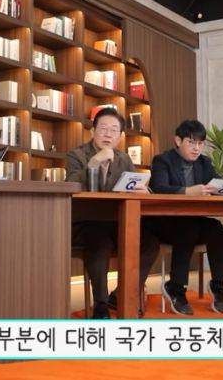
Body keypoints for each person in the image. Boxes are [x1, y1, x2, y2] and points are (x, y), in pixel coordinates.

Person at [65, 107, 160, 319]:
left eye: (114, 130)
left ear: (120, 136)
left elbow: (133, 184)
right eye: (103, 128)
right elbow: (71, 184)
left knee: (149, 243)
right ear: (93, 131)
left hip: (117, 222)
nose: (108, 134)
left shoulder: (123, 158)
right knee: (100, 243)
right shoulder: (76, 155)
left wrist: (145, 191)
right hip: (85, 224)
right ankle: (100, 305)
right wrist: (95, 162)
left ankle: (121, 295)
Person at [148, 119, 223, 315]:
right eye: (191, 142)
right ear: (178, 141)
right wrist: (187, 191)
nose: (197, 148)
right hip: (165, 223)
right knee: (188, 227)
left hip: (193, 222)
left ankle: (218, 286)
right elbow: (158, 188)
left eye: (201, 143)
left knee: (216, 228)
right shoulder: (162, 161)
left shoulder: (204, 163)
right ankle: (176, 288)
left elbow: (214, 185)